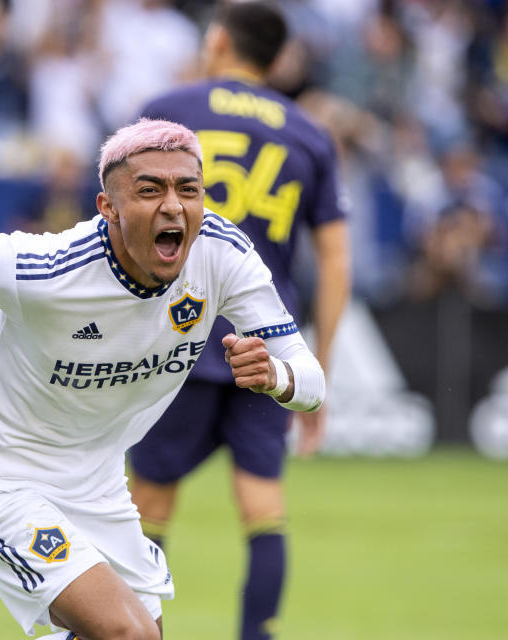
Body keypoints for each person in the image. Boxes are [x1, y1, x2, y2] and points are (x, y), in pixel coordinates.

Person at [0, 118, 326, 639]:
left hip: (98, 483)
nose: (173, 205)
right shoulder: (45, 270)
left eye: (188, 189)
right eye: (150, 190)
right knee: (128, 635)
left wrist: (275, 375)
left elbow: (311, 382)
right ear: (108, 208)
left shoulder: (221, 255)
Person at [130, 4, 350, 639]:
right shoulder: (309, 134)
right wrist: (317, 375)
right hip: (266, 345)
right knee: (263, 506)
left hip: (175, 339)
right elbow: (335, 264)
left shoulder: (168, 110)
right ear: (277, 59)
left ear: (220, 41)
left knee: (148, 503)